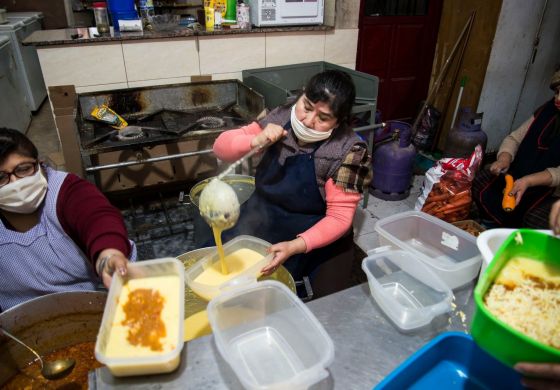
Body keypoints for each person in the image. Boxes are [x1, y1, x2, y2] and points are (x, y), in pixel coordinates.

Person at [209, 70, 372, 285]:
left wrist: (295, 246)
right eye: (307, 106)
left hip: (311, 233)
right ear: (302, 95)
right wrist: (254, 140)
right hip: (262, 215)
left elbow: (340, 219)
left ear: (339, 121)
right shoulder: (280, 115)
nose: (307, 120)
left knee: (307, 294)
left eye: (323, 118)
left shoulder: (350, 151)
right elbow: (220, 148)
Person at [0, 128, 136, 311]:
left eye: (23, 169)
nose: (16, 183)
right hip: (19, 322)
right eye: (1, 178)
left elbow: (98, 218)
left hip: (92, 303)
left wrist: (109, 256)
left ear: (39, 164)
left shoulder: (66, 191)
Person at [472, 68, 560, 228]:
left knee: (538, 219)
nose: (558, 99)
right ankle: (489, 224)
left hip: (551, 191)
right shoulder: (548, 110)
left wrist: (528, 181)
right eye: (557, 92)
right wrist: (504, 158)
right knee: (481, 180)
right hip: (521, 173)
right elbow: (514, 138)